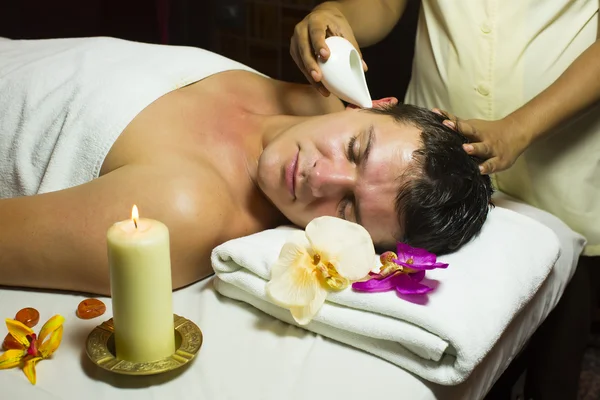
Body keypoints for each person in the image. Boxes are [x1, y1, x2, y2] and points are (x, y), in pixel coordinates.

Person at [0, 36, 492, 297]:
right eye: (356, 150)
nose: (319, 177)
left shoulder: (186, 209)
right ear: (376, 104)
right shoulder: (310, 98)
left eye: (347, 210)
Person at [290, 1, 598, 398]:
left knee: (564, 306)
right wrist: (338, 18)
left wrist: (519, 129)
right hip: (432, 152)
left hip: (560, 143)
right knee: (464, 321)